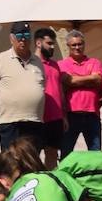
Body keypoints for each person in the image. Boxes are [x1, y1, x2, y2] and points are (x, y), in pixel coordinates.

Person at [0, 21, 46, 151]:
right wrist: (3, 100)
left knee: (31, 162)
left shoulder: (37, 61)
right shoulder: (1, 59)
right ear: (12, 38)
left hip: (34, 121)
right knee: (11, 162)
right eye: (19, 36)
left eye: (27, 35)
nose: (23, 40)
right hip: (10, 121)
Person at [58, 30, 102, 154]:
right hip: (70, 114)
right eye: (74, 45)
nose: (77, 47)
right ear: (68, 46)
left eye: (80, 44)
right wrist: (89, 79)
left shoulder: (94, 62)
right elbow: (67, 81)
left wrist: (74, 80)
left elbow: (98, 80)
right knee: (66, 153)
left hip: (92, 114)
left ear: (84, 45)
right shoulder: (61, 64)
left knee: (95, 153)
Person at [35, 27, 65, 168]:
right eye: (49, 43)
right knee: (34, 154)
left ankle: (50, 182)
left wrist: (63, 116)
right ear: (39, 43)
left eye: (53, 43)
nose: (52, 47)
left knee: (52, 154)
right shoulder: (32, 64)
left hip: (56, 118)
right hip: (38, 118)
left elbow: (60, 91)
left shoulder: (55, 65)